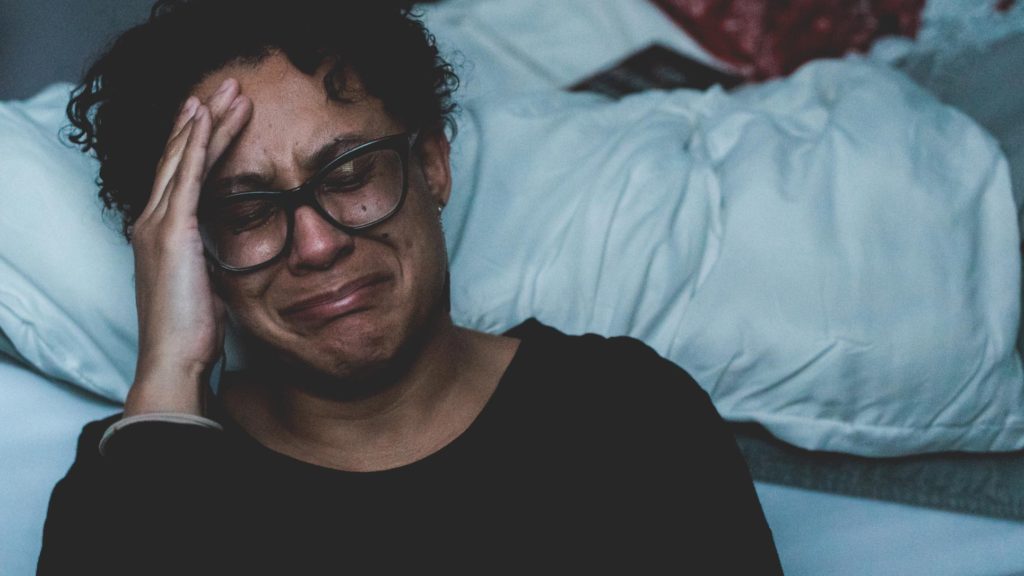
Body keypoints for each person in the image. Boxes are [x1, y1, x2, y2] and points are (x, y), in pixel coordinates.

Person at [37, 1, 784, 573]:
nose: (319, 244)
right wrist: (170, 375)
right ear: (189, 248)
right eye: (247, 210)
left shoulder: (629, 416)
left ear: (432, 163)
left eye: (353, 174)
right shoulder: (130, 478)